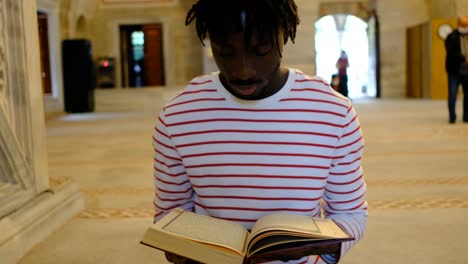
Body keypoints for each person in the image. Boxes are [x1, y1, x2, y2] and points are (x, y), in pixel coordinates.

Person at [152, 1, 367, 263]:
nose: (243, 70)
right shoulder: (177, 116)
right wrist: (181, 250)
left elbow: (351, 215)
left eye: (261, 50)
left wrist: (315, 248)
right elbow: (169, 216)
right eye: (225, 51)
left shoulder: (334, 112)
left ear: (284, 34)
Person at [445, 15, 468, 124]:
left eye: (467, 25)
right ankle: (452, 116)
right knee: (453, 94)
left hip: (467, 71)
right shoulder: (451, 36)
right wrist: (464, 58)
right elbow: (451, 52)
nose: (465, 27)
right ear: (459, 24)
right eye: (463, 25)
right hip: (454, 70)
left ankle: (466, 116)